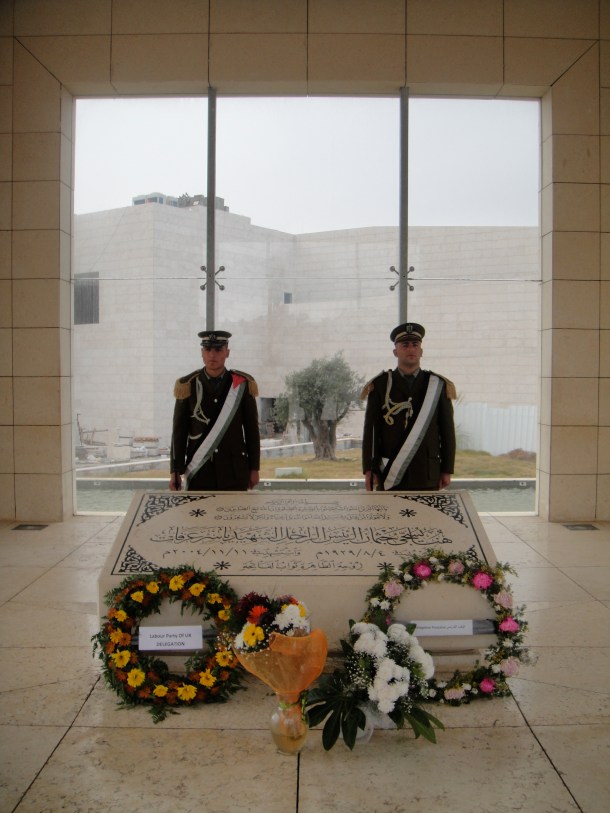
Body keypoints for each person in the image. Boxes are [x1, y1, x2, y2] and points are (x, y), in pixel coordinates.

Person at [361, 322, 456, 492]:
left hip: (427, 473)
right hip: (390, 472)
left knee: (427, 519)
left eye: (415, 345)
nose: (410, 349)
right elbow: (371, 432)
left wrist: (447, 469)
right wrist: (369, 468)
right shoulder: (380, 385)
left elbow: (447, 431)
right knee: (390, 518)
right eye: (405, 345)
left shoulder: (437, 385)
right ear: (395, 351)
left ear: (421, 351)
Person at [169, 330, 260, 491]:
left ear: (227, 352)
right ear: (201, 353)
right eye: (208, 350)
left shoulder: (241, 384)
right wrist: (175, 471)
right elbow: (179, 433)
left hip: (234, 471)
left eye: (218, 350)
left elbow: (252, 431)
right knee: (198, 516)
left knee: (236, 515)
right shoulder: (187, 385)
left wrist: (254, 468)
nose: (212, 355)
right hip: (200, 470)